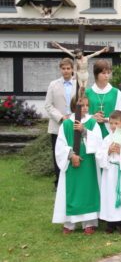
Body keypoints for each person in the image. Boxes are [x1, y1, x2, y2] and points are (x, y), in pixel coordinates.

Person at [52, 96, 102, 235]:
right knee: (71, 191)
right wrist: (71, 155)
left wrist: (84, 130)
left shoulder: (92, 123)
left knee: (88, 191)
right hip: (71, 164)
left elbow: (99, 142)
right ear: (74, 107)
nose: (85, 108)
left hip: (89, 164)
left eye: (87, 105)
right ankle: (69, 223)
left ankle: (89, 223)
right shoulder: (67, 123)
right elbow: (60, 145)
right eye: (82, 105)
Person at [45, 58, 77, 189]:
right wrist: (61, 117)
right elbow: (48, 105)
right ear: (60, 69)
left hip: (74, 122)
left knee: (74, 150)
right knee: (59, 152)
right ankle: (59, 181)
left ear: (72, 69)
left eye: (68, 68)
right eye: (63, 68)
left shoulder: (79, 84)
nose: (66, 71)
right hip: (58, 125)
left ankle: (73, 178)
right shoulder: (53, 84)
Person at [86, 59, 121, 138]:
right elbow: (81, 116)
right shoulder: (87, 93)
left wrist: (106, 120)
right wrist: (92, 117)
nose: (107, 76)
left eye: (108, 73)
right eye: (103, 73)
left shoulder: (117, 93)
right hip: (91, 133)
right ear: (96, 74)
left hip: (112, 133)